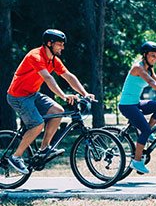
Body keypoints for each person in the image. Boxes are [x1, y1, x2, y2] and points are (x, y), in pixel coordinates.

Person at [6, 29, 95, 174]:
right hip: (18, 95)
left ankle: (44, 149)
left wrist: (84, 93)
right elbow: (48, 79)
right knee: (37, 124)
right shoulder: (35, 56)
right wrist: (64, 96)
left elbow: (69, 76)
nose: (62, 48)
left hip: (32, 94)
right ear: (49, 43)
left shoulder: (53, 60)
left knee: (58, 111)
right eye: (60, 44)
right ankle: (16, 157)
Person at [118, 41, 156, 174]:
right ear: (144, 55)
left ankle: (148, 132)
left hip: (136, 103)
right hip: (127, 105)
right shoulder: (138, 68)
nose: (155, 58)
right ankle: (137, 161)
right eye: (152, 56)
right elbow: (151, 82)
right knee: (144, 130)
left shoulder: (149, 68)